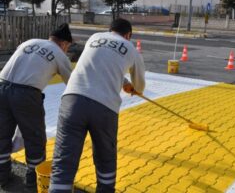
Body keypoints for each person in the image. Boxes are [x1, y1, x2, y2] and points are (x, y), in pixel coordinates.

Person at [49, 18, 145, 193]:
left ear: (110, 30)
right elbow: (139, 86)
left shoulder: (94, 37)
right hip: (104, 107)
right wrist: (133, 88)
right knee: (105, 158)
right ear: (128, 35)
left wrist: (120, 79)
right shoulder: (131, 48)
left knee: (64, 160)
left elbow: (97, 65)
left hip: (73, 100)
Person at [0, 23, 73, 188]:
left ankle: (2, 176)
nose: (66, 50)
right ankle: (33, 182)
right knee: (34, 137)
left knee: (2, 134)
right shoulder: (59, 54)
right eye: (67, 47)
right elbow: (73, 83)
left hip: (1, 88)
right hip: (26, 95)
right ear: (63, 43)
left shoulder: (29, 42)